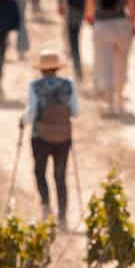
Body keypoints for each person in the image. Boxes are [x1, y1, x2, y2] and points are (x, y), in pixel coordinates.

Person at [22, 49, 80, 225]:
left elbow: (31, 113)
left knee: (40, 171)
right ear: (57, 68)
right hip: (63, 137)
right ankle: (63, 214)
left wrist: (22, 121)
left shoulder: (35, 87)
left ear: (41, 69)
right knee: (60, 175)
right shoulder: (69, 85)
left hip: (40, 136)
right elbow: (75, 112)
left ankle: (46, 206)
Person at [85, 0, 134, 115]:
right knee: (121, 64)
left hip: (102, 26)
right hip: (121, 24)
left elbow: (89, 11)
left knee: (104, 65)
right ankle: (119, 99)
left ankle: (110, 102)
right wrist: (132, 24)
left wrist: (93, 22)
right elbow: (131, 7)